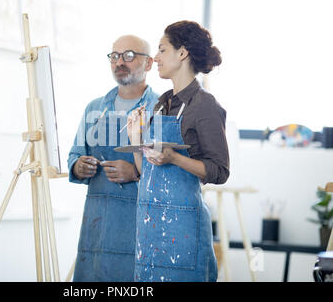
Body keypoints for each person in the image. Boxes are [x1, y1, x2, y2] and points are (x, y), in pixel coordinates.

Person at [127, 20, 229, 282]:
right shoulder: (161, 104)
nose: (156, 58)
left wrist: (174, 158)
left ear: (182, 53)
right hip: (150, 227)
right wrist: (136, 140)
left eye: (162, 50)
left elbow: (219, 171)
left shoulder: (204, 105)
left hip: (184, 227)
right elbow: (147, 171)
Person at [68, 35, 159, 281]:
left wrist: (136, 173)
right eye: (115, 56)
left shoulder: (160, 108)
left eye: (129, 55)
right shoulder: (94, 108)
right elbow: (75, 154)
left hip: (138, 219)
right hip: (97, 220)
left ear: (149, 64)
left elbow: (170, 170)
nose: (120, 62)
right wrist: (78, 166)